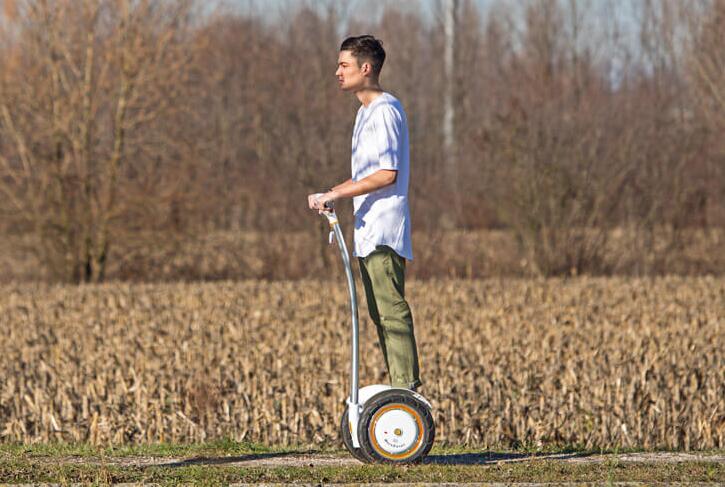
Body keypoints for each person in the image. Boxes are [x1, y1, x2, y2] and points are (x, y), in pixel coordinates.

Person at [307, 35, 421, 391]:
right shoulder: (364, 113)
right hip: (367, 230)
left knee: (390, 311)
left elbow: (387, 173)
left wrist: (337, 193)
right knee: (378, 314)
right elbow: (364, 175)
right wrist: (333, 193)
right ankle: (400, 389)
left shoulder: (385, 111)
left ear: (366, 68)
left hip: (385, 230)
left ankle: (407, 390)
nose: (337, 72)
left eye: (344, 65)